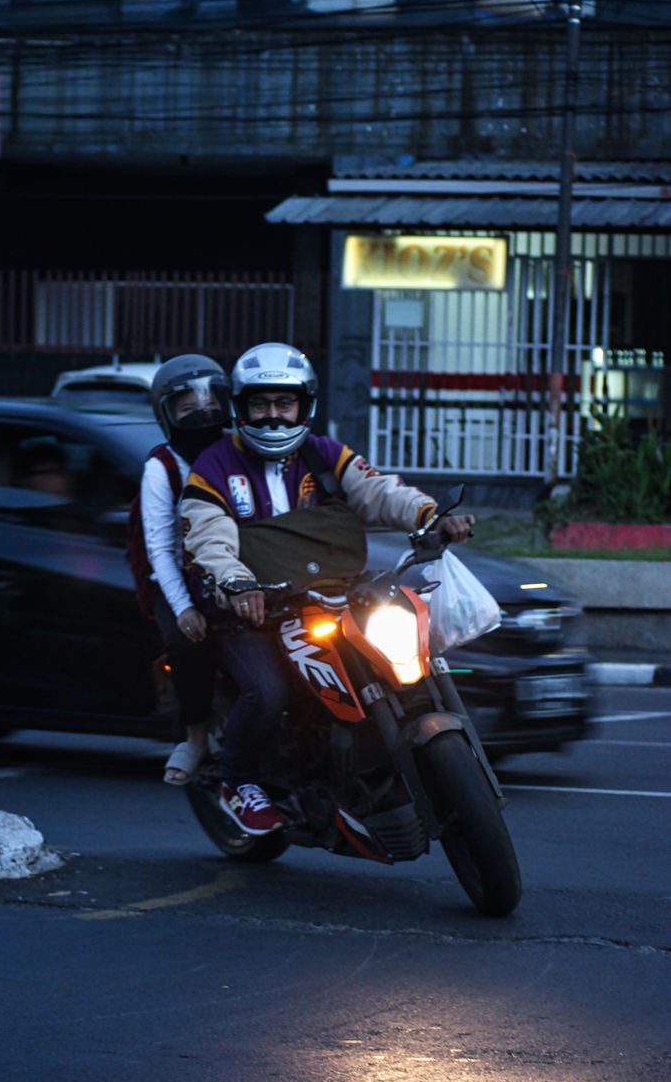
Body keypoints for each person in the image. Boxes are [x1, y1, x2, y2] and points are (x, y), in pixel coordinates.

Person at [180, 341, 476, 836]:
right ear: (240, 407)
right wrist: (238, 584)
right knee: (268, 691)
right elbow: (208, 536)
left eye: (284, 403)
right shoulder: (213, 466)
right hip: (251, 613)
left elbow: (376, 490)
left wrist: (431, 516)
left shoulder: (323, 455)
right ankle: (240, 783)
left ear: (304, 406)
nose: (273, 416)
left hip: (333, 597)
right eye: (260, 403)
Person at [141, 354, 232, 785]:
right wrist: (183, 608)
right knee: (188, 642)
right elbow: (159, 548)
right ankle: (195, 735)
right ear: (167, 415)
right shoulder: (160, 468)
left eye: (211, 399)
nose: (203, 410)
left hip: (236, 571)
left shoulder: (239, 448)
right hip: (182, 579)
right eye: (187, 405)